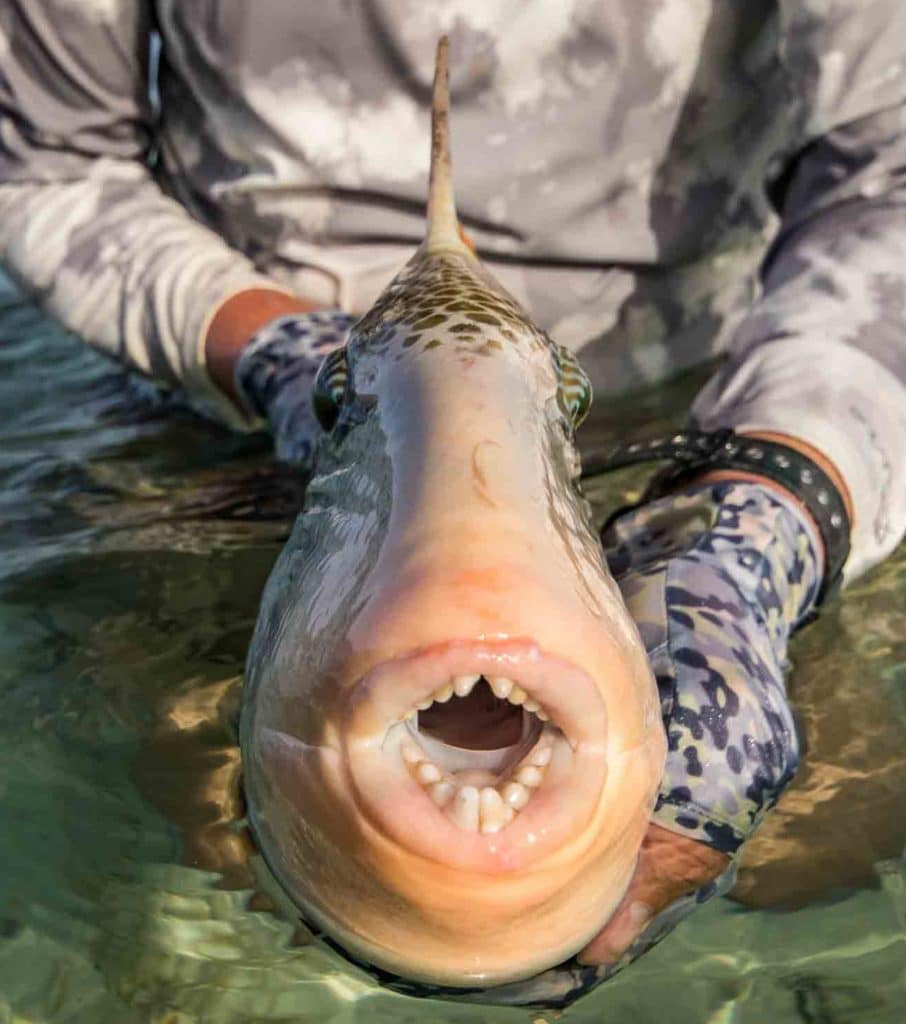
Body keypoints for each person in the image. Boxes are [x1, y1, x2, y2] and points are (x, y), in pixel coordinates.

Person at [0, 0, 903, 1000]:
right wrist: (279, 360)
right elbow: (47, 165)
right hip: (238, 413)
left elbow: (890, 167)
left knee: (822, 850)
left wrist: (766, 521)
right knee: (156, 896)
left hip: (698, 403)